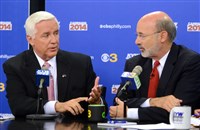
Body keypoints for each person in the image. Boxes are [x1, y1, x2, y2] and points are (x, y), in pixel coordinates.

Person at [3, 11, 105, 118]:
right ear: (30, 39)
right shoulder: (16, 66)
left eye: (56, 33)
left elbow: (102, 109)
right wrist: (56, 106)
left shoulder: (81, 64)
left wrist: (96, 102)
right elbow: (18, 105)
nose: (54, 40)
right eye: (46, 35)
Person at [109, 11, 200, 123]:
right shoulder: (134, 64)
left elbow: (180, 112)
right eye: (137, 35)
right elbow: (118, 102)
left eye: (142, 35)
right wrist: (153, 102)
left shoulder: (189, 62)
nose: (136, 41)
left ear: (162, 36)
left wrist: (129, 113)